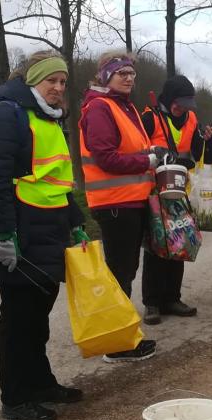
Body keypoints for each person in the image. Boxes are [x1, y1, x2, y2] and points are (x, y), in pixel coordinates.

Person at [0, 50, 86, 420]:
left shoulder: (50, 118)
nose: (57, 88)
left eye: (62, 82)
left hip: (49, 230)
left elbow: (59, 180)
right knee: (18, 319)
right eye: (50, 81)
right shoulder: (8, 114)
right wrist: (2, 233)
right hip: (21, 233)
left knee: (38, 316)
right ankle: (15, 396)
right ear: (31, 81)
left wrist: (75, 221)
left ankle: (40, 383)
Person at [78, 50, 159, 362]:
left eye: (131, 73)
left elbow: (130, 149)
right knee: (120, 272)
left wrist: (152, 151)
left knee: (125, 270)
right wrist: (149, 159)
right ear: (105, 76)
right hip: (114, 202)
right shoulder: (99, 108)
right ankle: (118, 344)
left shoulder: (123, 107)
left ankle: (123, 335)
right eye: (121, 73)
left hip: (129, 200)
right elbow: (106, 158)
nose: (129, 78)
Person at [136, 75, 212, 325]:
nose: (183, 108)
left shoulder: (191, 118)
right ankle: (152, 303)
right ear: (169, 100)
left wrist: (205, 139)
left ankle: (172, 298)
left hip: (182, 188)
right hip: (155, 190)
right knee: (157, 246)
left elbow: (195, 150)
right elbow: (137, 151)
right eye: (179, 103)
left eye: (187, 103)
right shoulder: (149, 118)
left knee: (178, 242)